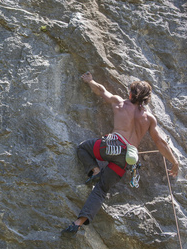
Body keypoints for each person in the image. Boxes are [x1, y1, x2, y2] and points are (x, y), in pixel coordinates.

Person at [62, 72, 179, 236]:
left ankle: (95, 170)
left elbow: (102, 91)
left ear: (131, 93)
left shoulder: (120, 103)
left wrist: (90, 80)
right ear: (146, 99)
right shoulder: (150, 119)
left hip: (111, 145)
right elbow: (160, 143)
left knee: (83, 147)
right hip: (128, 158)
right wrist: (174, 162)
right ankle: (78, 223)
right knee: (101, 189)